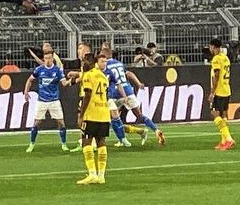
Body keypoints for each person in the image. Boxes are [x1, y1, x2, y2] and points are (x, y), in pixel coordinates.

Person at [102, 47, 158, 148]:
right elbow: (129, 74)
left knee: (111, 119)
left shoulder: (105, 65)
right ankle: (156, 130)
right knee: (139, 115)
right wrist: (138, 83)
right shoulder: (119, 63)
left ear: (105, 55)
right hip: (128, 90)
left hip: (115, 92)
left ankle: (121, 139)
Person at [23, 52, 73, 153]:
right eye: (46, 58)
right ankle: (32, 144)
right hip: (42, 101)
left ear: (52, 59)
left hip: (54, 101)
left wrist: (72, 80)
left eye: (49, 58)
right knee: (36, 123)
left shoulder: (57, 70)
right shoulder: (39, 69)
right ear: (44, 59)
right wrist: (26, 92)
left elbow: (64, 83)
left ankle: (64, 144)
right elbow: (30, 80)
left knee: (61, 123)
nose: (47, 60)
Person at [76, 53, 111, 185]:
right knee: (101, 142)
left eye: (85, 60)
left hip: (92, 114)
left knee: (86, 142)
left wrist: (81, 115)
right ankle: (101, 175)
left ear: (90, 62)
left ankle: (92, 174)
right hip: (104, 113)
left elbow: (88, 95)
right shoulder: (103, 76)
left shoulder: (88, 75)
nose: (83, 63)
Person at [207, 38, 235, 150]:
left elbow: (217, 75)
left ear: (213, 47)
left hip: (219, 91)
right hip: (226, 89)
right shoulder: (225, 58)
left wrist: (212, 92)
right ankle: (224, 141)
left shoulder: (216, 59)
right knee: (223, 115)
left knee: (215, 114)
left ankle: (228, 139)